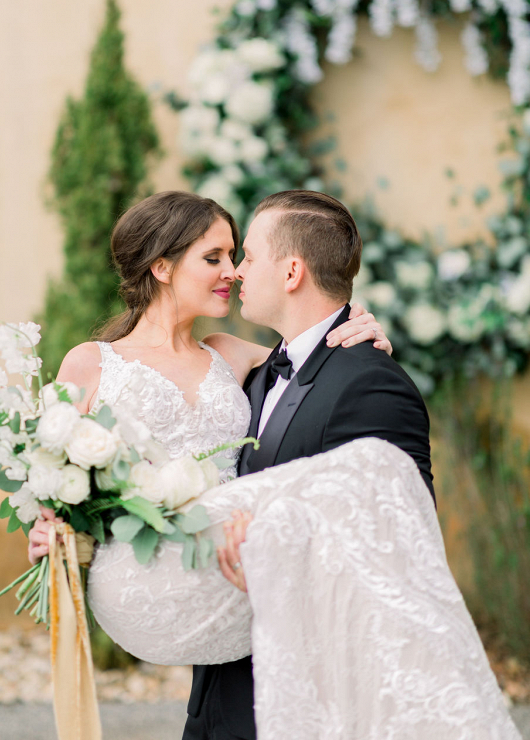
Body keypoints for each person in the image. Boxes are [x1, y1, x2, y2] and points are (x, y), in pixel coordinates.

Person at [28, 190, 519, 740]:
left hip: (257, 632)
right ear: (161, 266)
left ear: (290, 271)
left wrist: (367, 331)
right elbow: (58, 473)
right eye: (214, 258)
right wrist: (54, 529)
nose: (234, 273)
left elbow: (387, 502)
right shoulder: (97, 363)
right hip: (170, 605)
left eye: (241, 256)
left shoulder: (234, 358)